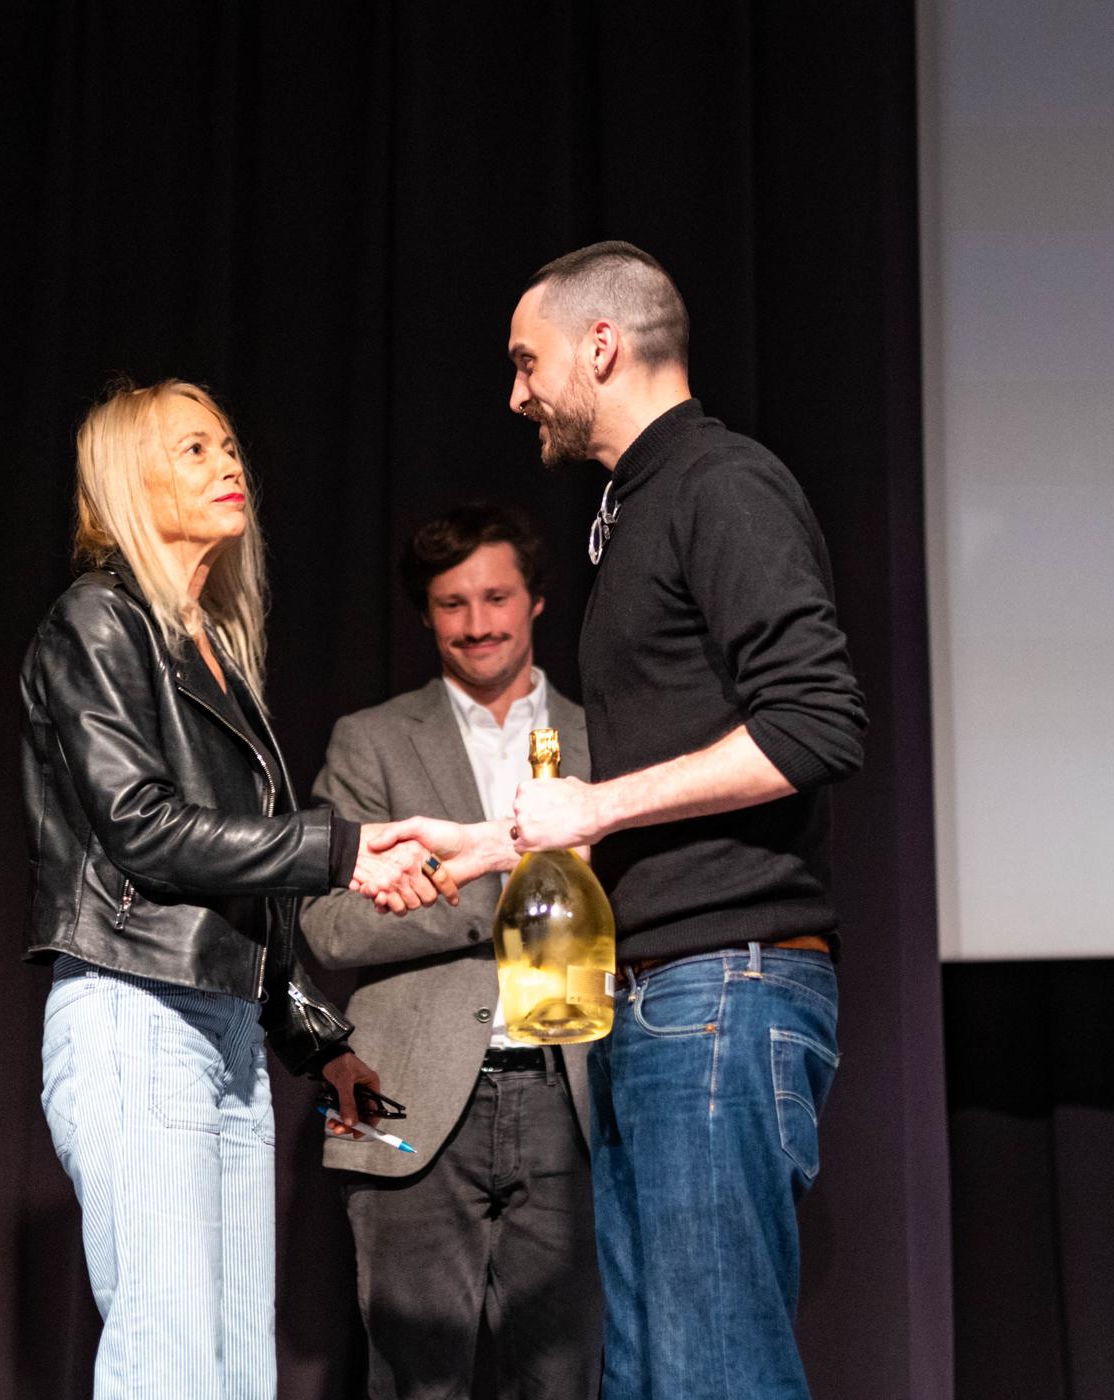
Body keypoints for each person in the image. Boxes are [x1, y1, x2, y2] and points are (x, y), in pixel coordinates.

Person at [374, 242, 868, 1400]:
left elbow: (815, 722)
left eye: (524, 361)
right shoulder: (633, 507)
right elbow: (645, 781)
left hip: (723, 991)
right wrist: (487, 844)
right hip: (653, 1000)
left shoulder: (720, 484)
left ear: (599, 346)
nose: (515, 393)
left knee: (714, 1374)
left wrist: (594, 802)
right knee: (650, 1375)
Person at [19, 378, 459, 1400]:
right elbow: (144, 831)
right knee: (169, 1366)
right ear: (128, 481)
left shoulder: (212, 650)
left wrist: (318, 1041)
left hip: (223, 1039)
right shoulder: (96, 620)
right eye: (191, 450)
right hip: (135, 1019)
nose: (228, 465)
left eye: (228, 445)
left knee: (233, 1377)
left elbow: (238, 897)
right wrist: (341, 849)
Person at [301, 504, 602, 1400]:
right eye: (451, 603)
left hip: (577, 1092)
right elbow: (327, 923)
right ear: (426, 614)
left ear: (539, 601)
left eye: (497, 596)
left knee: (565, 1380)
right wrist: (504, 885)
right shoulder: (372, 741)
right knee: (412, 1380)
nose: (477, 623)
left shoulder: (607, 739)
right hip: (407, 1095)